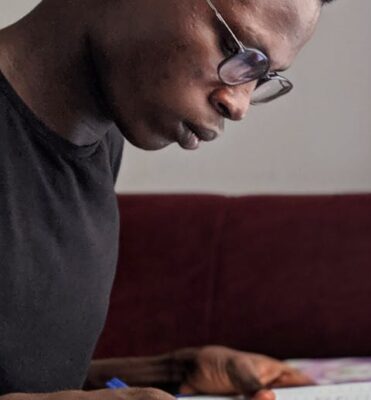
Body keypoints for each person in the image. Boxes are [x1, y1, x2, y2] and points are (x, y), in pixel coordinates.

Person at [0, 0, 332, 398]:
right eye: (235, 49)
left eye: (262, 77)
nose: (239, 105)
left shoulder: (102, 138)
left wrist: (169, 370)